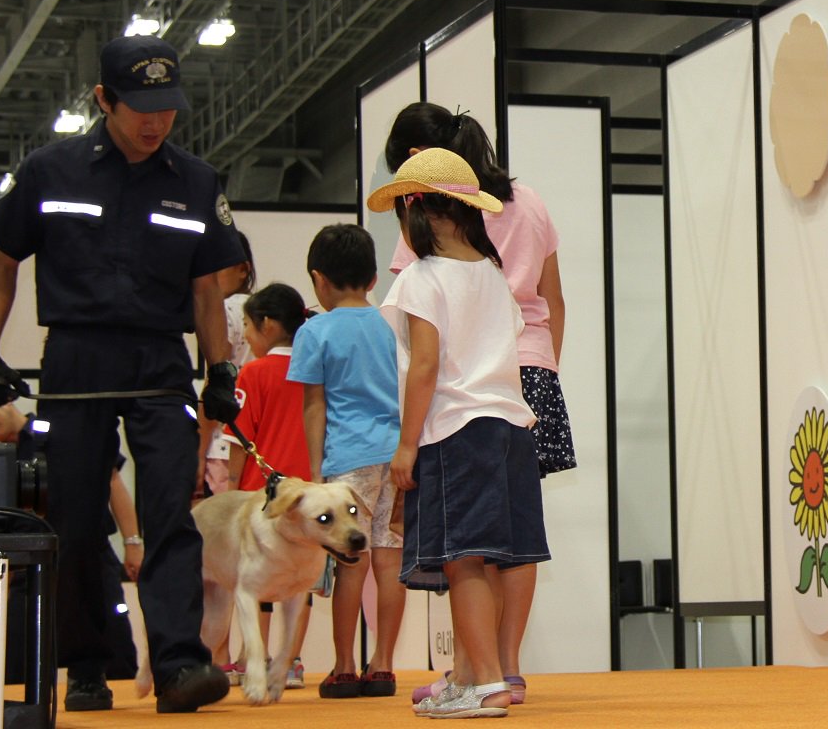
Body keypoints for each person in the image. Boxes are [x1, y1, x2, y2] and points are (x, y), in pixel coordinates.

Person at [0, 34, 243, 714]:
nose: (156, 122)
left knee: (170, 515)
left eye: (167, 109)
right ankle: (87, 663)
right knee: (76, 518)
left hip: (159, 359)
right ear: (103, 100)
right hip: (75, 357)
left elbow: (209, 288)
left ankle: (180, 664)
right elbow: (3, 266)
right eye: (140, 108)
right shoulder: (49, 170)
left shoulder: (196, 180)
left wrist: (219, 370)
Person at [386, 102, 577, 705]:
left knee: (464, 558)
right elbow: (548, 309)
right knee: (507, 547)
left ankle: (485, 678)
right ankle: (480, 673)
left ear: (416, 211)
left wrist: (406, 444)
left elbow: (424, 367)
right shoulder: (496, 278)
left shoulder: (421, 278)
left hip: (454, 426)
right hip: (512, 419)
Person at [0, 381, 142, 681]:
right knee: (14, 665)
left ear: (7, 402)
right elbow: (4, 529)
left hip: (87, 556)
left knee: (115, 654)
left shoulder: (56, 431)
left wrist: (133, 542)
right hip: (26, 571)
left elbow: (112, 480)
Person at [287, 223, 406, 699]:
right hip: (397, 456)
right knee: (391, 560)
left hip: (348, 462)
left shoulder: (314, 330)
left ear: (318, 279)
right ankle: (383, 666)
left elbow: (314, 406)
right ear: (373, 278)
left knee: (350, 564)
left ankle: (342, 666)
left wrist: (316, 473)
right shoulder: (393, 326)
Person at [219, 282, 315, 688]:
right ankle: (290, 661)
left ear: (268, 325)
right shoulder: (312, 368)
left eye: (247, 327)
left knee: (258, 578)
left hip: (262, 495)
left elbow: (237, 440)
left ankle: (250, 657)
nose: (244, 336)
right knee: (301, 581)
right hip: (310, 495)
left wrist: (230, 491)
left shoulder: (253, 373)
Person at [198, 230, 256, 499]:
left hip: (223, 442)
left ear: (242, 269)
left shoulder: (225, 312)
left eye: (215, 268)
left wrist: (198, 453)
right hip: (255, 440)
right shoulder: (261, 310)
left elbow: (215, 385)